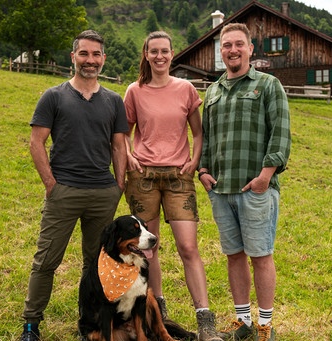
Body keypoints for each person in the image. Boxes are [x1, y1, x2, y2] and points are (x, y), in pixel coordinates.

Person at [20, 30, 128, 341]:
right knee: (46, 261)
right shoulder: (53, 97)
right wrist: (50, 183)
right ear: (73, 57)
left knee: (96, 264)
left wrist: (118, 185)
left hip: (102, 194)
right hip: (64, 191)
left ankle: (90, 324)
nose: (90, 60)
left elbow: (119, 146)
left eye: (96, 55)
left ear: (103, 59)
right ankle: (31, 325)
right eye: (84, 54)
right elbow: (36, 142)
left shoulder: (113, 100)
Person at [123, 31, 223, 341]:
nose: (160, 56)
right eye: (154, 51)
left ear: (171, 53)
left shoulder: (186, 89)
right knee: (148, 250)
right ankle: (157, 314)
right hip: (144, 178)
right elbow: (123, 133)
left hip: (179, 177)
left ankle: (205, 320)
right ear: (147, 54)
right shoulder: (134, 91)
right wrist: (129, 157)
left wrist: (194, 161)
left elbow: (198, 132)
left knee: (188, 247)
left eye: (164, 51)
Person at [198, 23, 291, 341]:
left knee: (261, 254)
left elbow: (280, 132)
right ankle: (243, 322)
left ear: (251, 49)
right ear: (220, 51)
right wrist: (203, 171)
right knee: (234, 255)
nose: (232, 50)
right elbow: (206, 138)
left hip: (256, 188)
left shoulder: (268, 85)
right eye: (226, 45)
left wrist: (266, 177)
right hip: (221, 189)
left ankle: (265, 325)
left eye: (239, 44)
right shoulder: (212, 91)